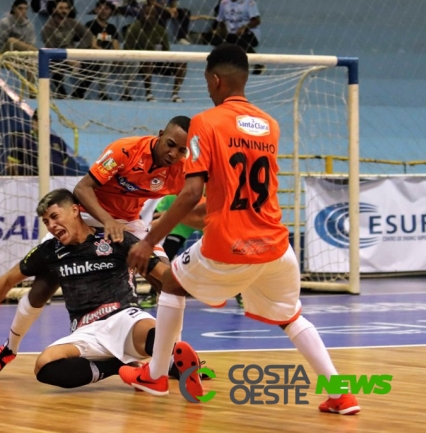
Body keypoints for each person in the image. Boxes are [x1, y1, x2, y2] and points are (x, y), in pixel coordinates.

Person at [122, 44, 361, 415]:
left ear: (215, 80)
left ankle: (154, 376)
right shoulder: (270, 125)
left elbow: (190, 193)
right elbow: (229, 198)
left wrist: (148, 241)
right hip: (277, 247)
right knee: (290, 316)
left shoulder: (207, 121)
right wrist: (177, 220)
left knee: (171, 283)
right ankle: (340, 393)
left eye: (207, 82)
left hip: (230, 246)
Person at [0, 189, 204, 391]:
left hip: (125, 318)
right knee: (44, 366)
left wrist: (190, 279)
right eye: (46, 221)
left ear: (75, 210)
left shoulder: (114, 238)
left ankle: (169, 357)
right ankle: (118, 367)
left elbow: (166, 278)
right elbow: (5, 282)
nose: (51, 225)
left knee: (154, 334)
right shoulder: (50, 251)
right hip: (85, 331)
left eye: (55, 216)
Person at [73, 115, 189, 258]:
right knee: (47, 265)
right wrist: (108, 221)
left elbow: (197, 207)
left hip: (129, 222)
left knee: (162, 272)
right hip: (88, 213)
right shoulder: (124, 150)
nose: (173, 154)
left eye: (182, 150)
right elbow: (82, 188)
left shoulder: (183, 171)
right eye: (170, 144)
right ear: (160, 135)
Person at [122, 4, 187, 103]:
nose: (148, 16)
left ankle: (175, 94)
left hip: (159, 60)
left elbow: (166, 50)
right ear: (141, 14)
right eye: (146, 13)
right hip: (140, 62)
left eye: (151, 14)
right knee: (148, 60)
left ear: (156, 16)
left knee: (182, 62)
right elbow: (127, 49)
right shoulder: (133, 28)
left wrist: (161, 55)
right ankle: (149, 93)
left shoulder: (160, 30)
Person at [41, 0, 99, 99]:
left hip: (73, 54)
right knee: (53, 61)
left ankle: (79, 93)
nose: (64, 11)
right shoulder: (47, 27)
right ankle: (61, 92)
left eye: (66, 8)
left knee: (95, 64)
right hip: (58, 56)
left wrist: (78, 52)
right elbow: (51, 47)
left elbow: (88, 35)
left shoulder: (72, 23)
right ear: (54, 9)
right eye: (61, 8)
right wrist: (67, 58)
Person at [5, 110, 78, 176]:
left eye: (46, 121)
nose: (42, 124)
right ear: (33, 122)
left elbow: (64, 163)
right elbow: (10, 165)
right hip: (30, 183)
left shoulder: (58, 141)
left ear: (50, 122)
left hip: (55, 182)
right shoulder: (23, 140)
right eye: (38, 120)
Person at [209, 0, 265, 74]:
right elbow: (220, 21)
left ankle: (259, 64)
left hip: (250, 34)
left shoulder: (249, 2)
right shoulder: (223, 3)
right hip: (231, 34)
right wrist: (220, 33)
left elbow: (257, 21)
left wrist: (244, 27)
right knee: (216, 40)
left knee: (238, 40)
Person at [83, 0, 121, 100]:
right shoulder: (90, 24)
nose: (103, 11)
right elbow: (93, 45)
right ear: (96, 10)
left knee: (133, 63)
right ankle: (103, 92)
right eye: (101, 8)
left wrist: (117, 56)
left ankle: (126, 92)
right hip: (95, 57)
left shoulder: (112, 28)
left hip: (110, 57)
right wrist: (108, 54)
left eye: (106, 9)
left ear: (110, 11)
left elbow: (116, 45)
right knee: (106, 59)